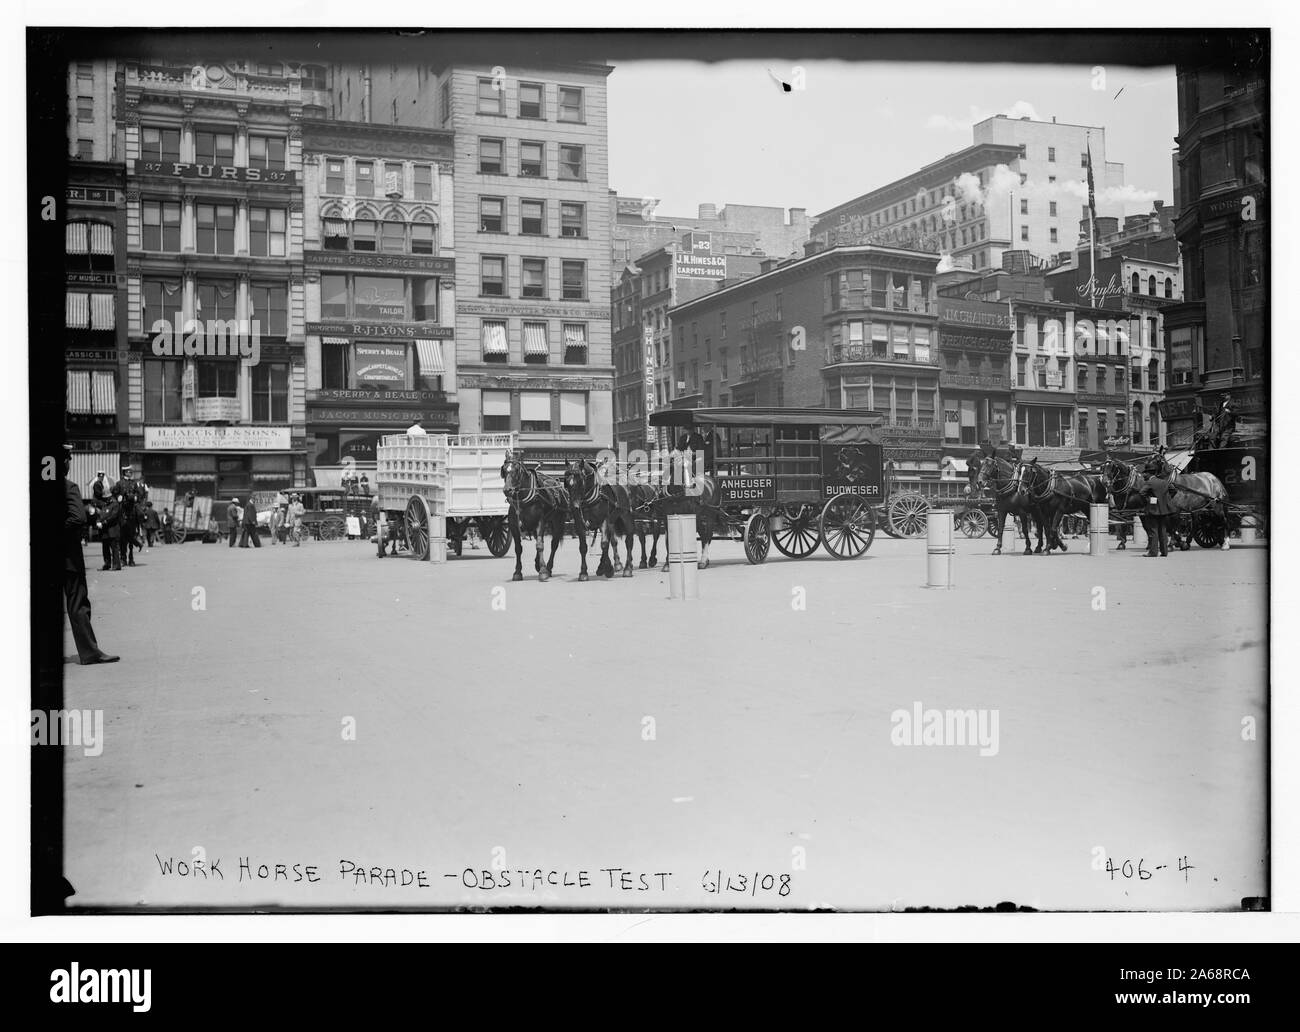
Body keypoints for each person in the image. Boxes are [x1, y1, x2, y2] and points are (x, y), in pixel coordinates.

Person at [61, 447, 119, 665]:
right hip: (68, 557)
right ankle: (89, 652)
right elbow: (78, 518)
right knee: (77, 604)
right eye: (67, 459)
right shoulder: (69, 487)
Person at [1140, 448, 1177, 558]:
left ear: (1148, 473)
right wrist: (1165, 500)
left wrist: (1149, 501)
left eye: (1144, 473)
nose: (1143, 475)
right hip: (1164, 510)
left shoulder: (1150, 482)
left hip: (1153, 510)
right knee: (1163, 531)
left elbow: (1141, 493)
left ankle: (1153, 552)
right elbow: (1173, 490)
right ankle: (1164, 552)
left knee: (1153, 531)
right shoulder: (1164, 482)